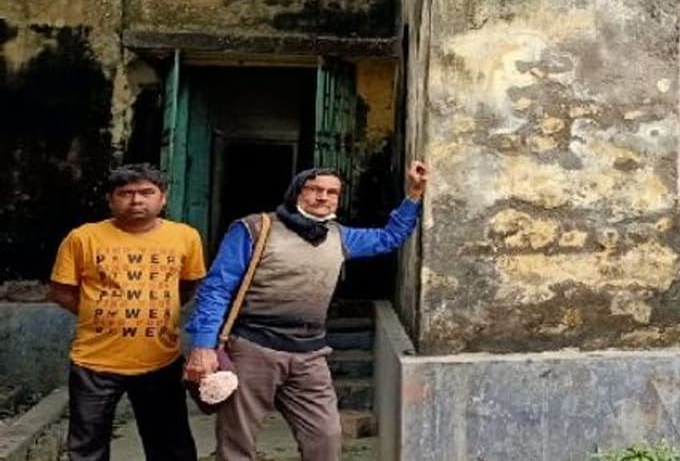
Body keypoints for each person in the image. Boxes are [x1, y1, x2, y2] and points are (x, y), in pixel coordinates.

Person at [183, 161, 428, 461]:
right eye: (314, 189)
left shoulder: (340, 236)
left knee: (326, 437)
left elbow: (388, 238)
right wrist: (203, 346)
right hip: (253, 349)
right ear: (296, 192)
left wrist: (414, 194)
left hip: (310, 354)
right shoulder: (255, 228)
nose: (323, 197)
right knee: (237, 443)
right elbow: (216, 289)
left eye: (332, 192)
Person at [49, 164, 206, 461]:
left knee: (171, 447)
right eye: (126, 194)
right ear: (111, 199)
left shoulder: (185, 237)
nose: (136, 201)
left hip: (160, 360)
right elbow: (61, 291)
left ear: (163, 198)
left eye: (147, 192)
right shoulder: (83, 237)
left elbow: (188, 286)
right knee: (86, 449)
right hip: (94, 363)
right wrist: (103, 315)